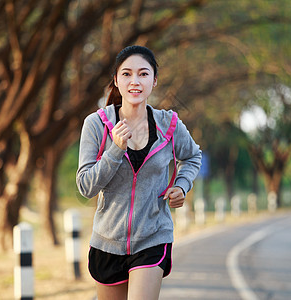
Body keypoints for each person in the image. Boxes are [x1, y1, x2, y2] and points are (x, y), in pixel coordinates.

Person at [76, 45, 202, 300]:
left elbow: (192, 156)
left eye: (143, 74)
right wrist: (115, 150)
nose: (135, 81)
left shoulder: (169, 125)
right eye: (127, 74)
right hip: (106, 242)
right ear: (116, 80)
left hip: (152, 238)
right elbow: (85, 187)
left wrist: (181, 185)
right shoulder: (96, 125)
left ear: (154, 81)